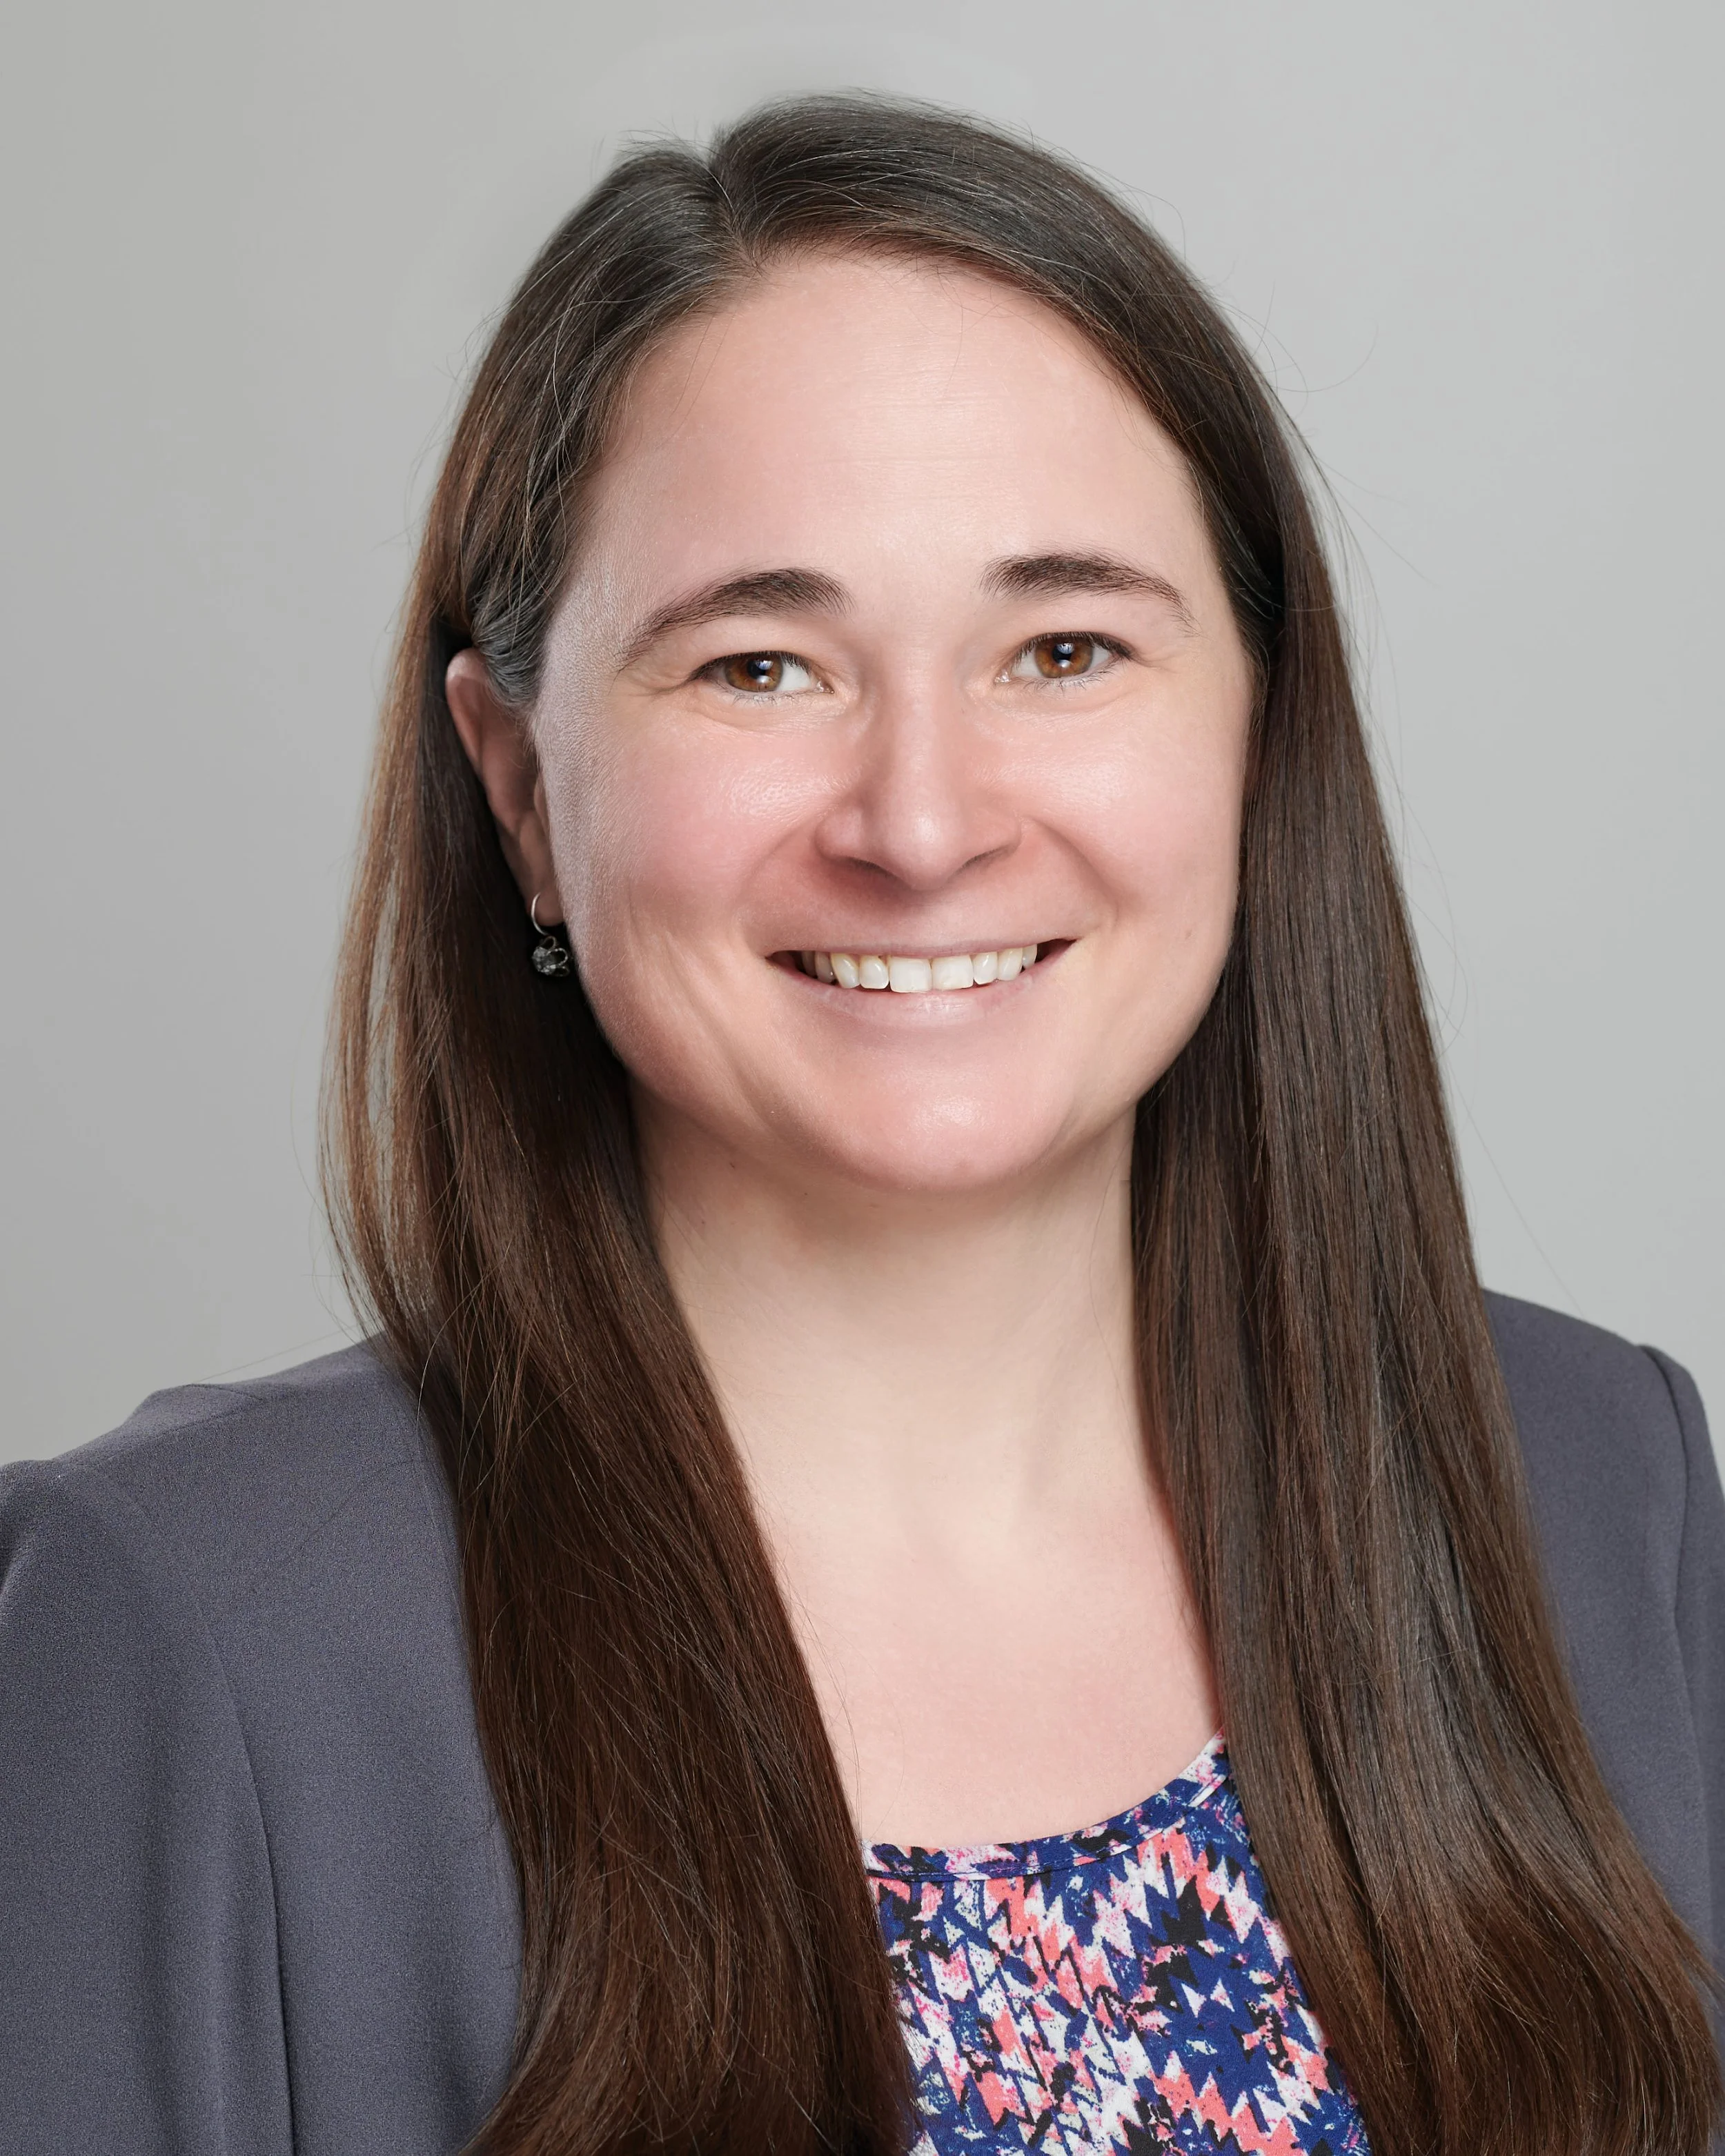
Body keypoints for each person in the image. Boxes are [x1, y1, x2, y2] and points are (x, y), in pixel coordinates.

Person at [1, 96, 1719, 2156]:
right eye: (760, 664)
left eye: (1063, 647)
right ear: (521, 786)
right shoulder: (190, 1633)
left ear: (1264, 737)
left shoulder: (1596, 1478)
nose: (921, 820)